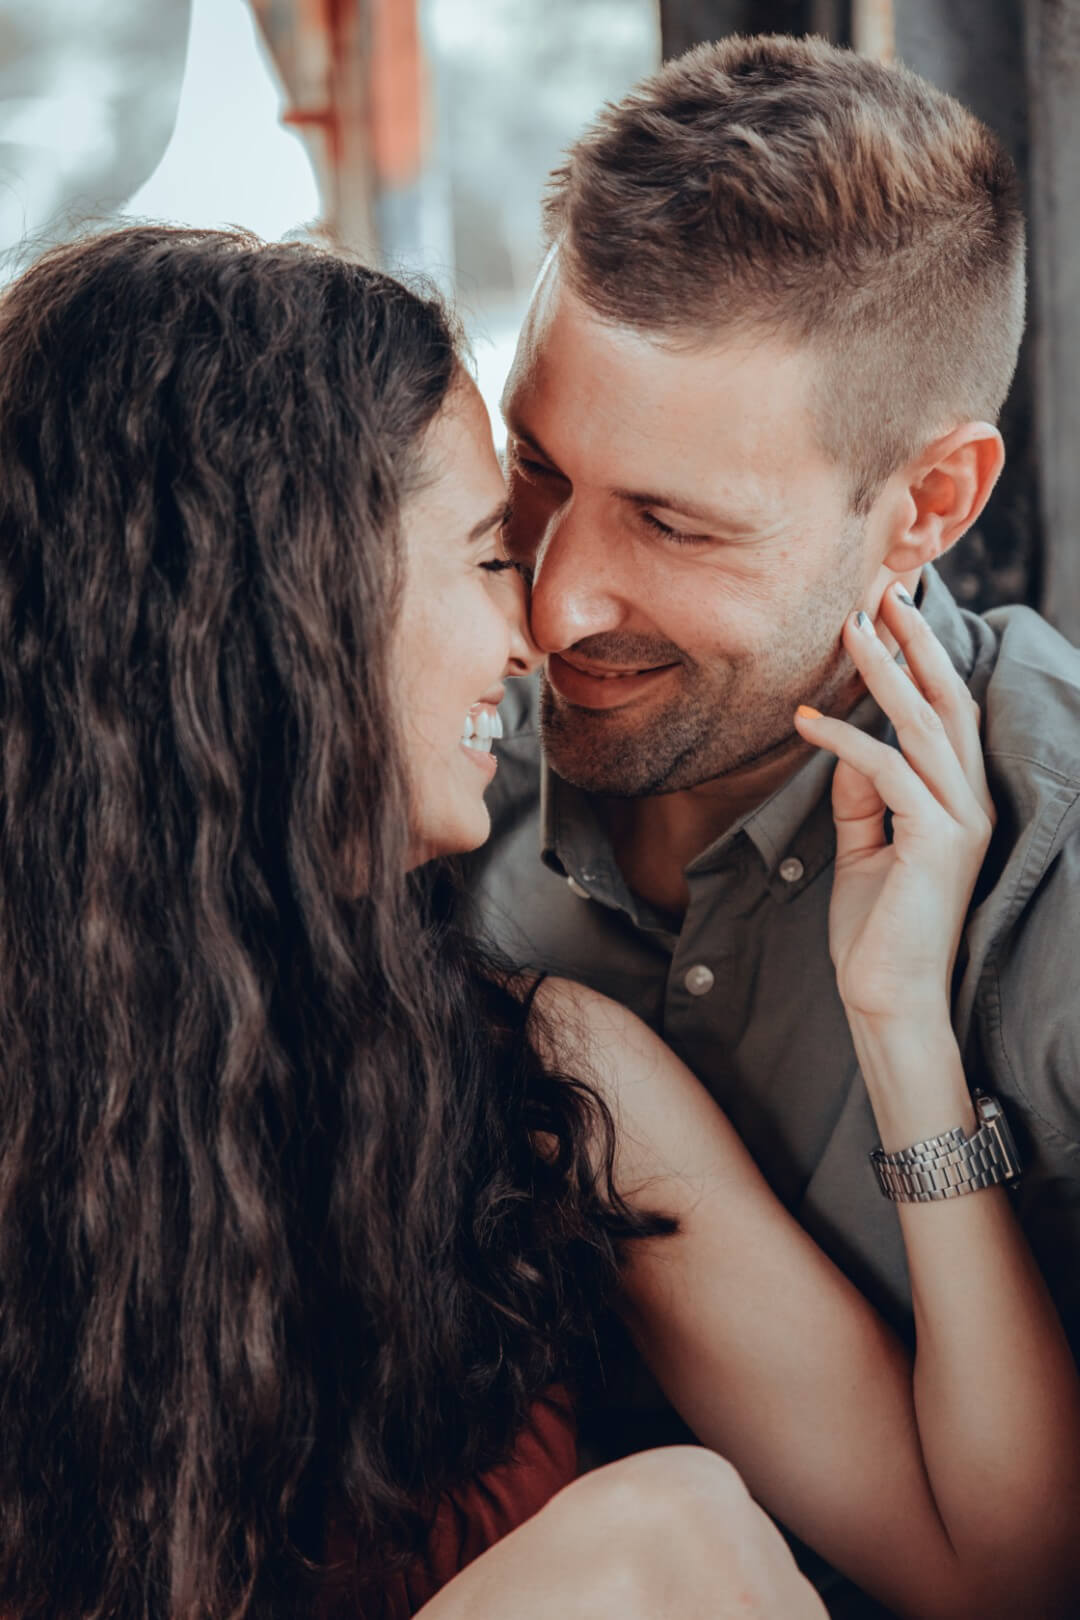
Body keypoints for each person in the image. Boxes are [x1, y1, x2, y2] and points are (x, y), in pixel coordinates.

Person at [0, 224, 1077, 1620]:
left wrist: (905, 1032)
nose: (541, 631)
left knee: (669, 1531)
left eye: (673, 521)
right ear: (274, 615)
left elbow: (999, 1572)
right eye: (489, 551)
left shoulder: (533, 1075)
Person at [469, 33, 1080, 1607]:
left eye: (675, 524)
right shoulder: (428, 760)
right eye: (537, 465)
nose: (554, 599)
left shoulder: (1064, 885)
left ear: (928, 506)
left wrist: (909, 1048)